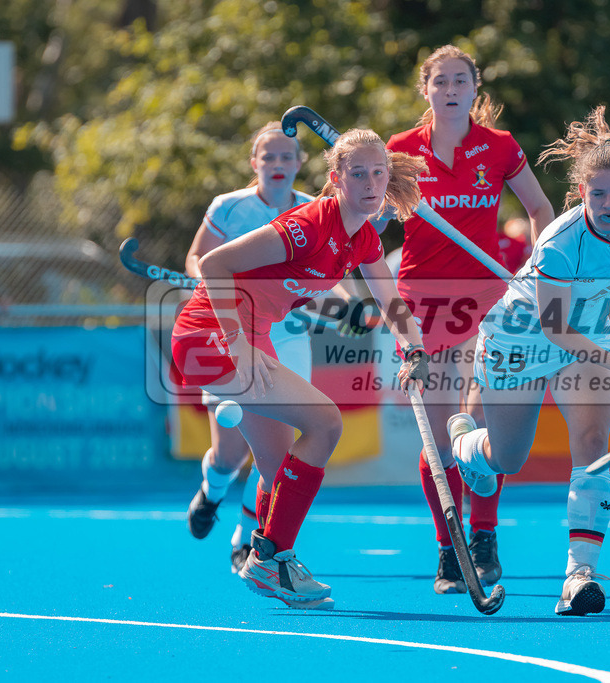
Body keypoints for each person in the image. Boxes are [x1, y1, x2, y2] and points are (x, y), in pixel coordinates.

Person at [170, 128, 431, 608]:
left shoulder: (365, 238)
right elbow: (212, 264)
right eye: (358, 174)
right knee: (326, 421)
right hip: (211, 333)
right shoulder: (309, 224)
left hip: (252, 335)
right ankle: (272, 557)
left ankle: (269, 559)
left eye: (379, 173)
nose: (371, 184)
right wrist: (237, 344)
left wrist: (414, 350)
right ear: (336, 179)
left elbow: (393, 305)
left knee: (276, 468)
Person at [447, 106, 610, 616]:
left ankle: (579, 574)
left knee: (591, 445)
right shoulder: (559, 245)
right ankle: (465, 443)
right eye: (598, 194)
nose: (609, 204)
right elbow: (553, 327)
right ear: (581, 193)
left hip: (583, 336)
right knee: (508, 459)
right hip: (521, 338)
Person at [385, 45, 555, 595]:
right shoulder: (402, 151)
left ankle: (483, 537)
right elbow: (369, 212)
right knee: (437, 437)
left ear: (474, 88)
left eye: (461, 80)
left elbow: (541, 212)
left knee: (480, 427)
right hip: (423, 302)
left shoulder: (500, 148)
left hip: (487, 300)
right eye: (442, 81)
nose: (452, 89)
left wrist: (535, 271)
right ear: (426, 89)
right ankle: (449, 548)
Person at [182, 122, 320, 574]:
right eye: (270, 157)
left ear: (300, 164)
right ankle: (213, 491)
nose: (278, 164)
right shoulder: (228, 207)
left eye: (287, 157)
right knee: (231, 452)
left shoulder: (313, 211)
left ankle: (248, 536)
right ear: (254, 163)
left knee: (278, 450)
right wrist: (205, 282)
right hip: (231, 333)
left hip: (287, 336)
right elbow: (198, 258)